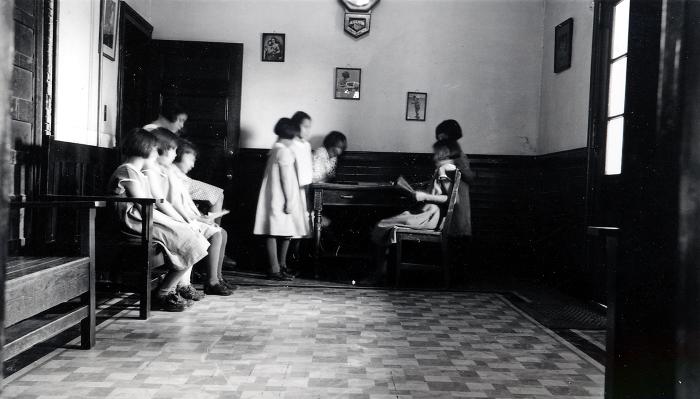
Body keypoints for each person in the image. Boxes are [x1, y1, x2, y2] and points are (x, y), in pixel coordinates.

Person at [107, 129, 209, 311]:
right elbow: (144, 206)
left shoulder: (135, 172)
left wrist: (179, 223)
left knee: (194, 236)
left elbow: (149, 207)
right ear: (144, 148)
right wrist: (175, 224)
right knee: (191, 238)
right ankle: (163, 293)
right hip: (136, 223)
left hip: (144, 220)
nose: (156, 154)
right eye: (154, 149)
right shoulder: (127, 171)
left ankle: (167, 290)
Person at [145, 128, 233, 296]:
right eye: (173, 151)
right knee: (195, 234)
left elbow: (180, 200)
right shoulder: (156, 172)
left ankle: (209, 280)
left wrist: (197, 217)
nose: (174, 155)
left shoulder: (167, 172)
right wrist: (189, 219)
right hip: (162, 219)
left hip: (174, 217)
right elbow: (165, 202)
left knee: (214, 232)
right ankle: (187, 284)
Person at [366, 140, 462, 285]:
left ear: (443, 153)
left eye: (435, 153)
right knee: (387, 224)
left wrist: (425, 196)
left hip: (429, 217)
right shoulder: (444, 168)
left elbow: (454, 200)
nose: (433, 156)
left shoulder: (446, 168)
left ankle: (379, 274)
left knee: (382, 225)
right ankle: (381, 272)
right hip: (426, 214)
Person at [143, 104, 227, 224]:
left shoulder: (164, 133)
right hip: (162, 179)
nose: (181, 125)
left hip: (172, 176)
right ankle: (211, 229)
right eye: (180, 120)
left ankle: (211, 228)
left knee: (217, 194)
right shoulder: (151, 131)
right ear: (167, 118)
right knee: (217, 195)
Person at [173, 138, 237, 290]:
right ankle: (212, 281)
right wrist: (198, 218)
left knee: (222, 232)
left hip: (189, 217)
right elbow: (176, 204)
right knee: (217, 233)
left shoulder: (180, 177)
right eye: (190, 159)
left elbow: (187, 203)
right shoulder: (172, 176)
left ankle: (217, 276)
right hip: (180, 220)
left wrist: (203, 218)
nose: (193, 164)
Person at [253, 118, 309, 281]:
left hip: (276, 197)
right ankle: (275, 268)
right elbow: (285, 179)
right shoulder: (283, 150)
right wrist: (290, 200)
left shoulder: (276, 148)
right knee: (275, 231)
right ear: (290, 136)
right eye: (294, 138)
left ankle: (281, 265)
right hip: (282, 197)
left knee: (284, 231)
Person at [434, 119, 474, 237]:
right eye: (439, 139)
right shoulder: (443, 155)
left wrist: (458, 166)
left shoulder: (459, 156)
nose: (440, 142)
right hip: (447, 197)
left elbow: (470, 177)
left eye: (443, 139)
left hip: (459, 197)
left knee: (458, 228)